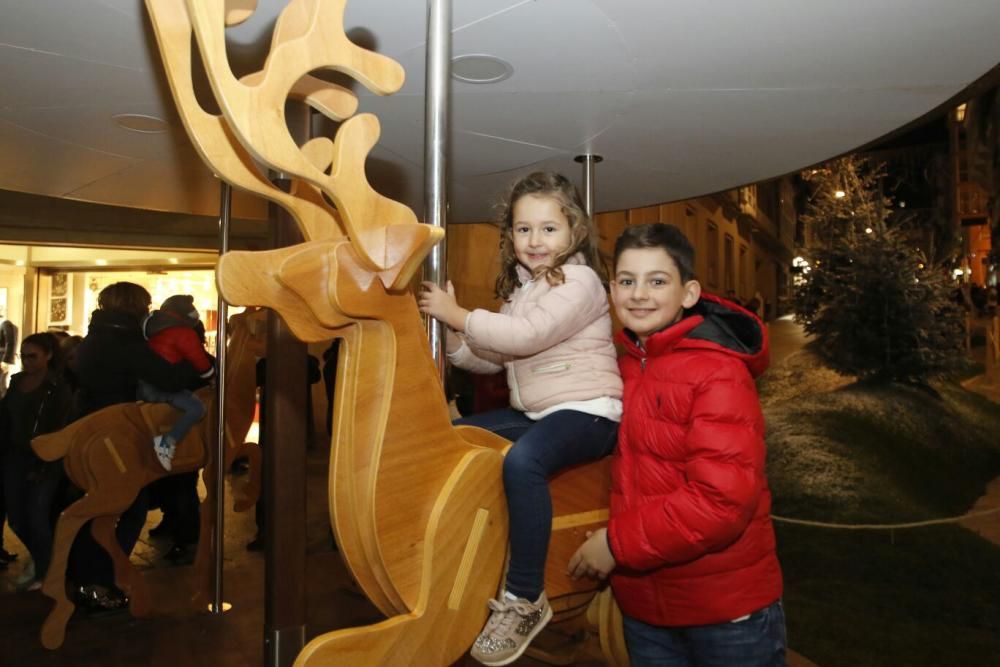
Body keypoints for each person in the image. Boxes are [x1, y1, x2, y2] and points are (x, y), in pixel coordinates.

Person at [419, 170, 622, 666]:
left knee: (523, 462)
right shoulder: (524, 289)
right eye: (523, 228)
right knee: (450, 440)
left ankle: (524, 597)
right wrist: (450, 336)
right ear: (510, 235)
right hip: (536, 411)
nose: (534, 240)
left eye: (548, 228)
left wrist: (457, 313)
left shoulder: (580, 281)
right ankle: (463, 554)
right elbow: (492, 356)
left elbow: (527, 337)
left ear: (574, 231)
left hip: (590, 410)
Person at [568, 223, 785, 667]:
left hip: (725, 613)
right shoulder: (618, 365)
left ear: (689, 293)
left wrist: (614, 545)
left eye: (657, 281)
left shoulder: (717, 372)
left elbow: (721, 501)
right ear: (612, 290)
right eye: (628, 281)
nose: (639, 294)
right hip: (646, 611)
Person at [67, 282, 200, 612]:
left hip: (91, 430)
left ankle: (88, 578)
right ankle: (99, 580)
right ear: (135, 307)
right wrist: (193, 362)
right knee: (126, 510)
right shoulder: (124, 342)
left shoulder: (95, 338)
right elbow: (168, 379)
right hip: (116, 436)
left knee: (102, 509)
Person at [0, 333, 72, 589]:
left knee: (36, 514)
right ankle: (45, 561)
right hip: (14, 455)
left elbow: (58, 425)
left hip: (44, 457)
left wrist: (44, 459)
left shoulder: (57, 388)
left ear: (48, 355)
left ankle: (46, 569)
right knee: (17, 517)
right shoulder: (19, 382)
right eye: (24, 356)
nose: (27, 362)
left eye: (33, 356)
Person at [139, 295, 215, 471]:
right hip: (164, 387)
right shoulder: (184, 333)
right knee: (197, 408)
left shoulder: (153, 329)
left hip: (145, 385)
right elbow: (200, 361)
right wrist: (212, 378)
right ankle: (166, 443)